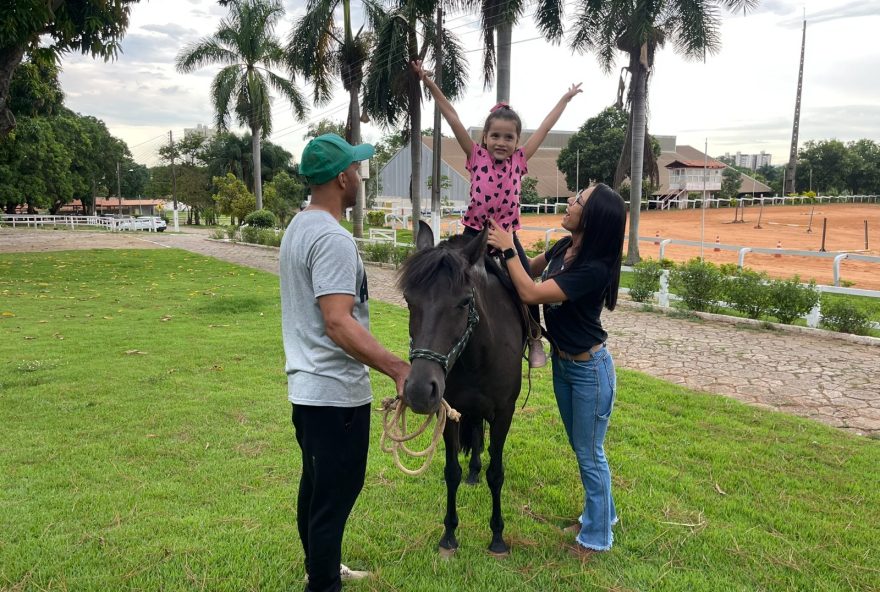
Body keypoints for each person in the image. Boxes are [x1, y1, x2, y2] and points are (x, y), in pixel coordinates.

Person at [280, 133, 411, 592]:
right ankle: (323, 583)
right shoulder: (332, 239)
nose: (360, 175)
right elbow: (338, 322)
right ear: (341, 178)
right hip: (334, 395)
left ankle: (323, 568)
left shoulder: (298, 226)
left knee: (316, 489)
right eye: (356, 169)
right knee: (333, 499)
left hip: (307, 390)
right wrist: (399, 367)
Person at [410, 59, 582, 368]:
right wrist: (429, 82)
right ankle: (437, 336)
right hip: (473, 234)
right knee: (446, 278)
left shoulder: (519, 161)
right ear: (484, 138)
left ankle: (532, 336)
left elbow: (545, 126)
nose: (501, 143)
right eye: (495, 136)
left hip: (505, 238)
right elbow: (452, 116)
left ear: (517, 141)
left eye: (509, 137)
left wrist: (565, 99)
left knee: (526, 280)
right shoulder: (475, 156)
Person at [486, 183, 626, 556]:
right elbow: (526, 269)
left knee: (590, 453)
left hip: (589, 371)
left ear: (591, 217)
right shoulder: (565, 248)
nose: (568, 201)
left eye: (577, 200)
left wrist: (505, 246)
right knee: (584, 449)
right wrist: (507, 232)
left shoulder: (594, 269)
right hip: (565, 366)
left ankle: (596, 539)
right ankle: (602, 515)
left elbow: (530, 292)